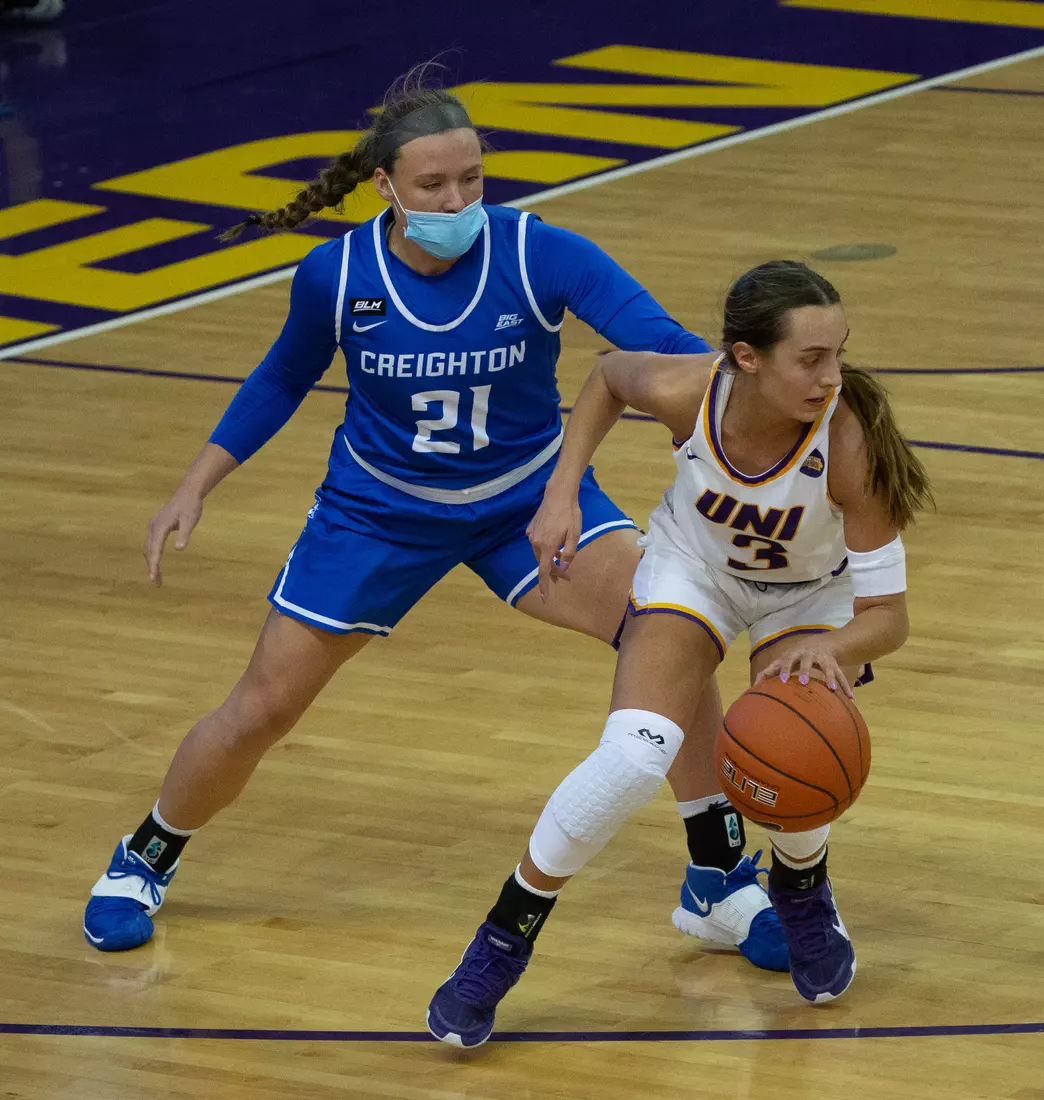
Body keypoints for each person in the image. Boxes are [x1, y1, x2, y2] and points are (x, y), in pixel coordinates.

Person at [82, 69, 787, 975]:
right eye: (433, 186)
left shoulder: (539, 253)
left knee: (668, 634)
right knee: (262, 708)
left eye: (472, 181)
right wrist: (197, 481)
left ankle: (718, 875)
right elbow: (281, 379)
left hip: (527, 499)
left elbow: (660, 344)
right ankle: (147, 853)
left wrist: (755, 408)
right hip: (377, 513)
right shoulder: (337, 275)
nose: (458, 201)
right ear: (385, 187)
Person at [428, 260, 934, 1046]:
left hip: (808, 600)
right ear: (746, 358)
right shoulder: (687, 391)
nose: (832, 375)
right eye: (811, 359)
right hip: (693, 569)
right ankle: (503, 937)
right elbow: (605, 377)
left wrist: (832, 651)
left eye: (838, 353)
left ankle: (800, 885)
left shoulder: (848, 442)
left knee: (796, 738)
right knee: (635, 755)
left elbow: (889, 618)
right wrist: (562, 490)